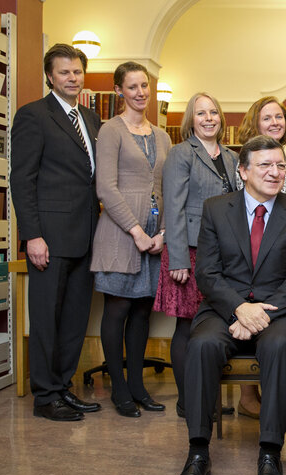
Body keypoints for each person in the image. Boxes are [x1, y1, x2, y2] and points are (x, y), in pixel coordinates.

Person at [173, 135, 286, 475]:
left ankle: (270, 453)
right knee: (202, 344)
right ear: (243, 171)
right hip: (225, 308)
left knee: (278, 348)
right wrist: (239, 308)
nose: (275, 172)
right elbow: (207, 273)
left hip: (279, 310)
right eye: (265, 165)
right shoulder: (216, 208)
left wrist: (260, 314)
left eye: (280, 165)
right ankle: (197, 452)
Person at [10, 43, 102, 421]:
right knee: (46, 317)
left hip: (87, 234)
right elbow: (22, 178)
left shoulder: (93, 120)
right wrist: (32, 235)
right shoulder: (33, 115)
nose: (72, 78)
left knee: (75, 318)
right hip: (49, 236)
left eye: (77, 72)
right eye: (64, 72)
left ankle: (63, 387)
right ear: (50, 76)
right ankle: (45, 396)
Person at [89, 61, 172, 417]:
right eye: (132, 86)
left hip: (155, 238)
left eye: (144, 86)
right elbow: (105, 186)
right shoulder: (111, 130)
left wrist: (163, 233)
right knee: (118, 308)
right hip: (120, 234)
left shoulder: (164, 136)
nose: (140, 93)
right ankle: (119, 389)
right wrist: (137, 232)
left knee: (141, 312)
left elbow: (169, 188)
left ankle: (138, 386)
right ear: (120, 90)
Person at [153, 92, 242, 418]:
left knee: (212, 325)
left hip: (221, 254)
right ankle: (188, 401)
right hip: (187, 251)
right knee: (187, 326)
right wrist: (176, 258)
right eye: (201, 113)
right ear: (191, 119)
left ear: (221, 117)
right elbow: (173, 208)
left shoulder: (232, 157)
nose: (208, 118)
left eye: (213, 112)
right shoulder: (181, 154)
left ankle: (208, 398)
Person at [237, 96, 286, 197]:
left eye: (279, 117)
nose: (275, 123)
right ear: (255, 124)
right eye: (267, 118)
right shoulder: (248, 158)